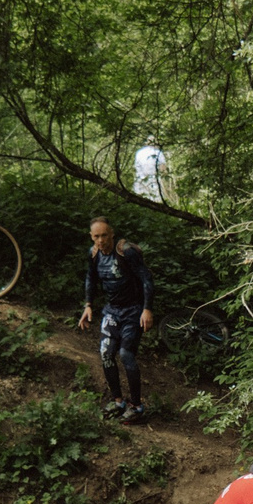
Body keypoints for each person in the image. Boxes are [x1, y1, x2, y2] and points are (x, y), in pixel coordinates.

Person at [77, 217, 154, 424]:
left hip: (133, 310)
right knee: (106, 354)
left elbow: (146, 278)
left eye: (104, 235)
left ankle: (136, 406)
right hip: (112, 311)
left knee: (126, 354)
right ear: (91, 237)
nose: (101, 240)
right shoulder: (93, 254)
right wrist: (88, 305)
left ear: (111, 234)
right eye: (96, 236)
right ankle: (118, 401)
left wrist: (147, 309)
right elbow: (91, 278)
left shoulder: (125, 252)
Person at [132, 136, 171, 203]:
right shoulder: (158, 153)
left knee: (140, 201)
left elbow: (136, 167)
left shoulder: (139, 153)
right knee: (155, 202)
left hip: (139, 180)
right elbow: (162, 169)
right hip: (153, 181)